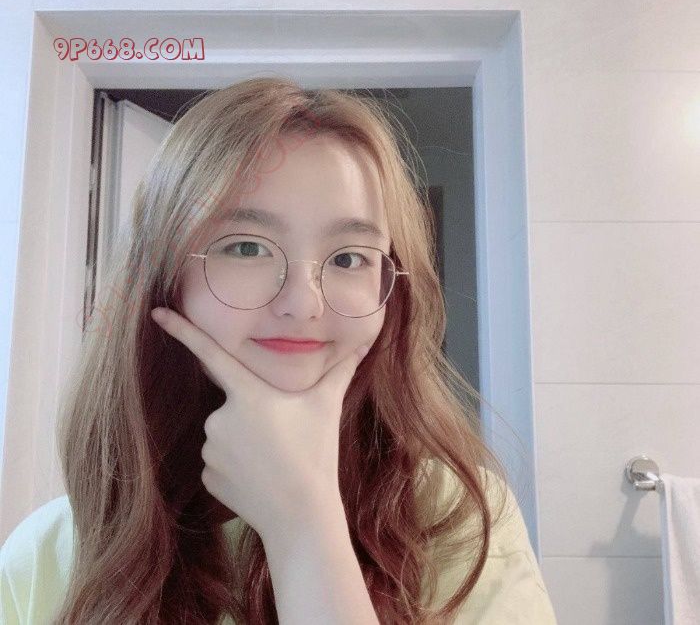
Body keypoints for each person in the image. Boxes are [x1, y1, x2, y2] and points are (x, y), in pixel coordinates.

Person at [0, 76, 557, 624]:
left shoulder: (460, 521)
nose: (303, 303)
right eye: (247, 248)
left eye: (349, 258)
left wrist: (304, 525)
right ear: (165, 280)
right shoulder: (47, 555)